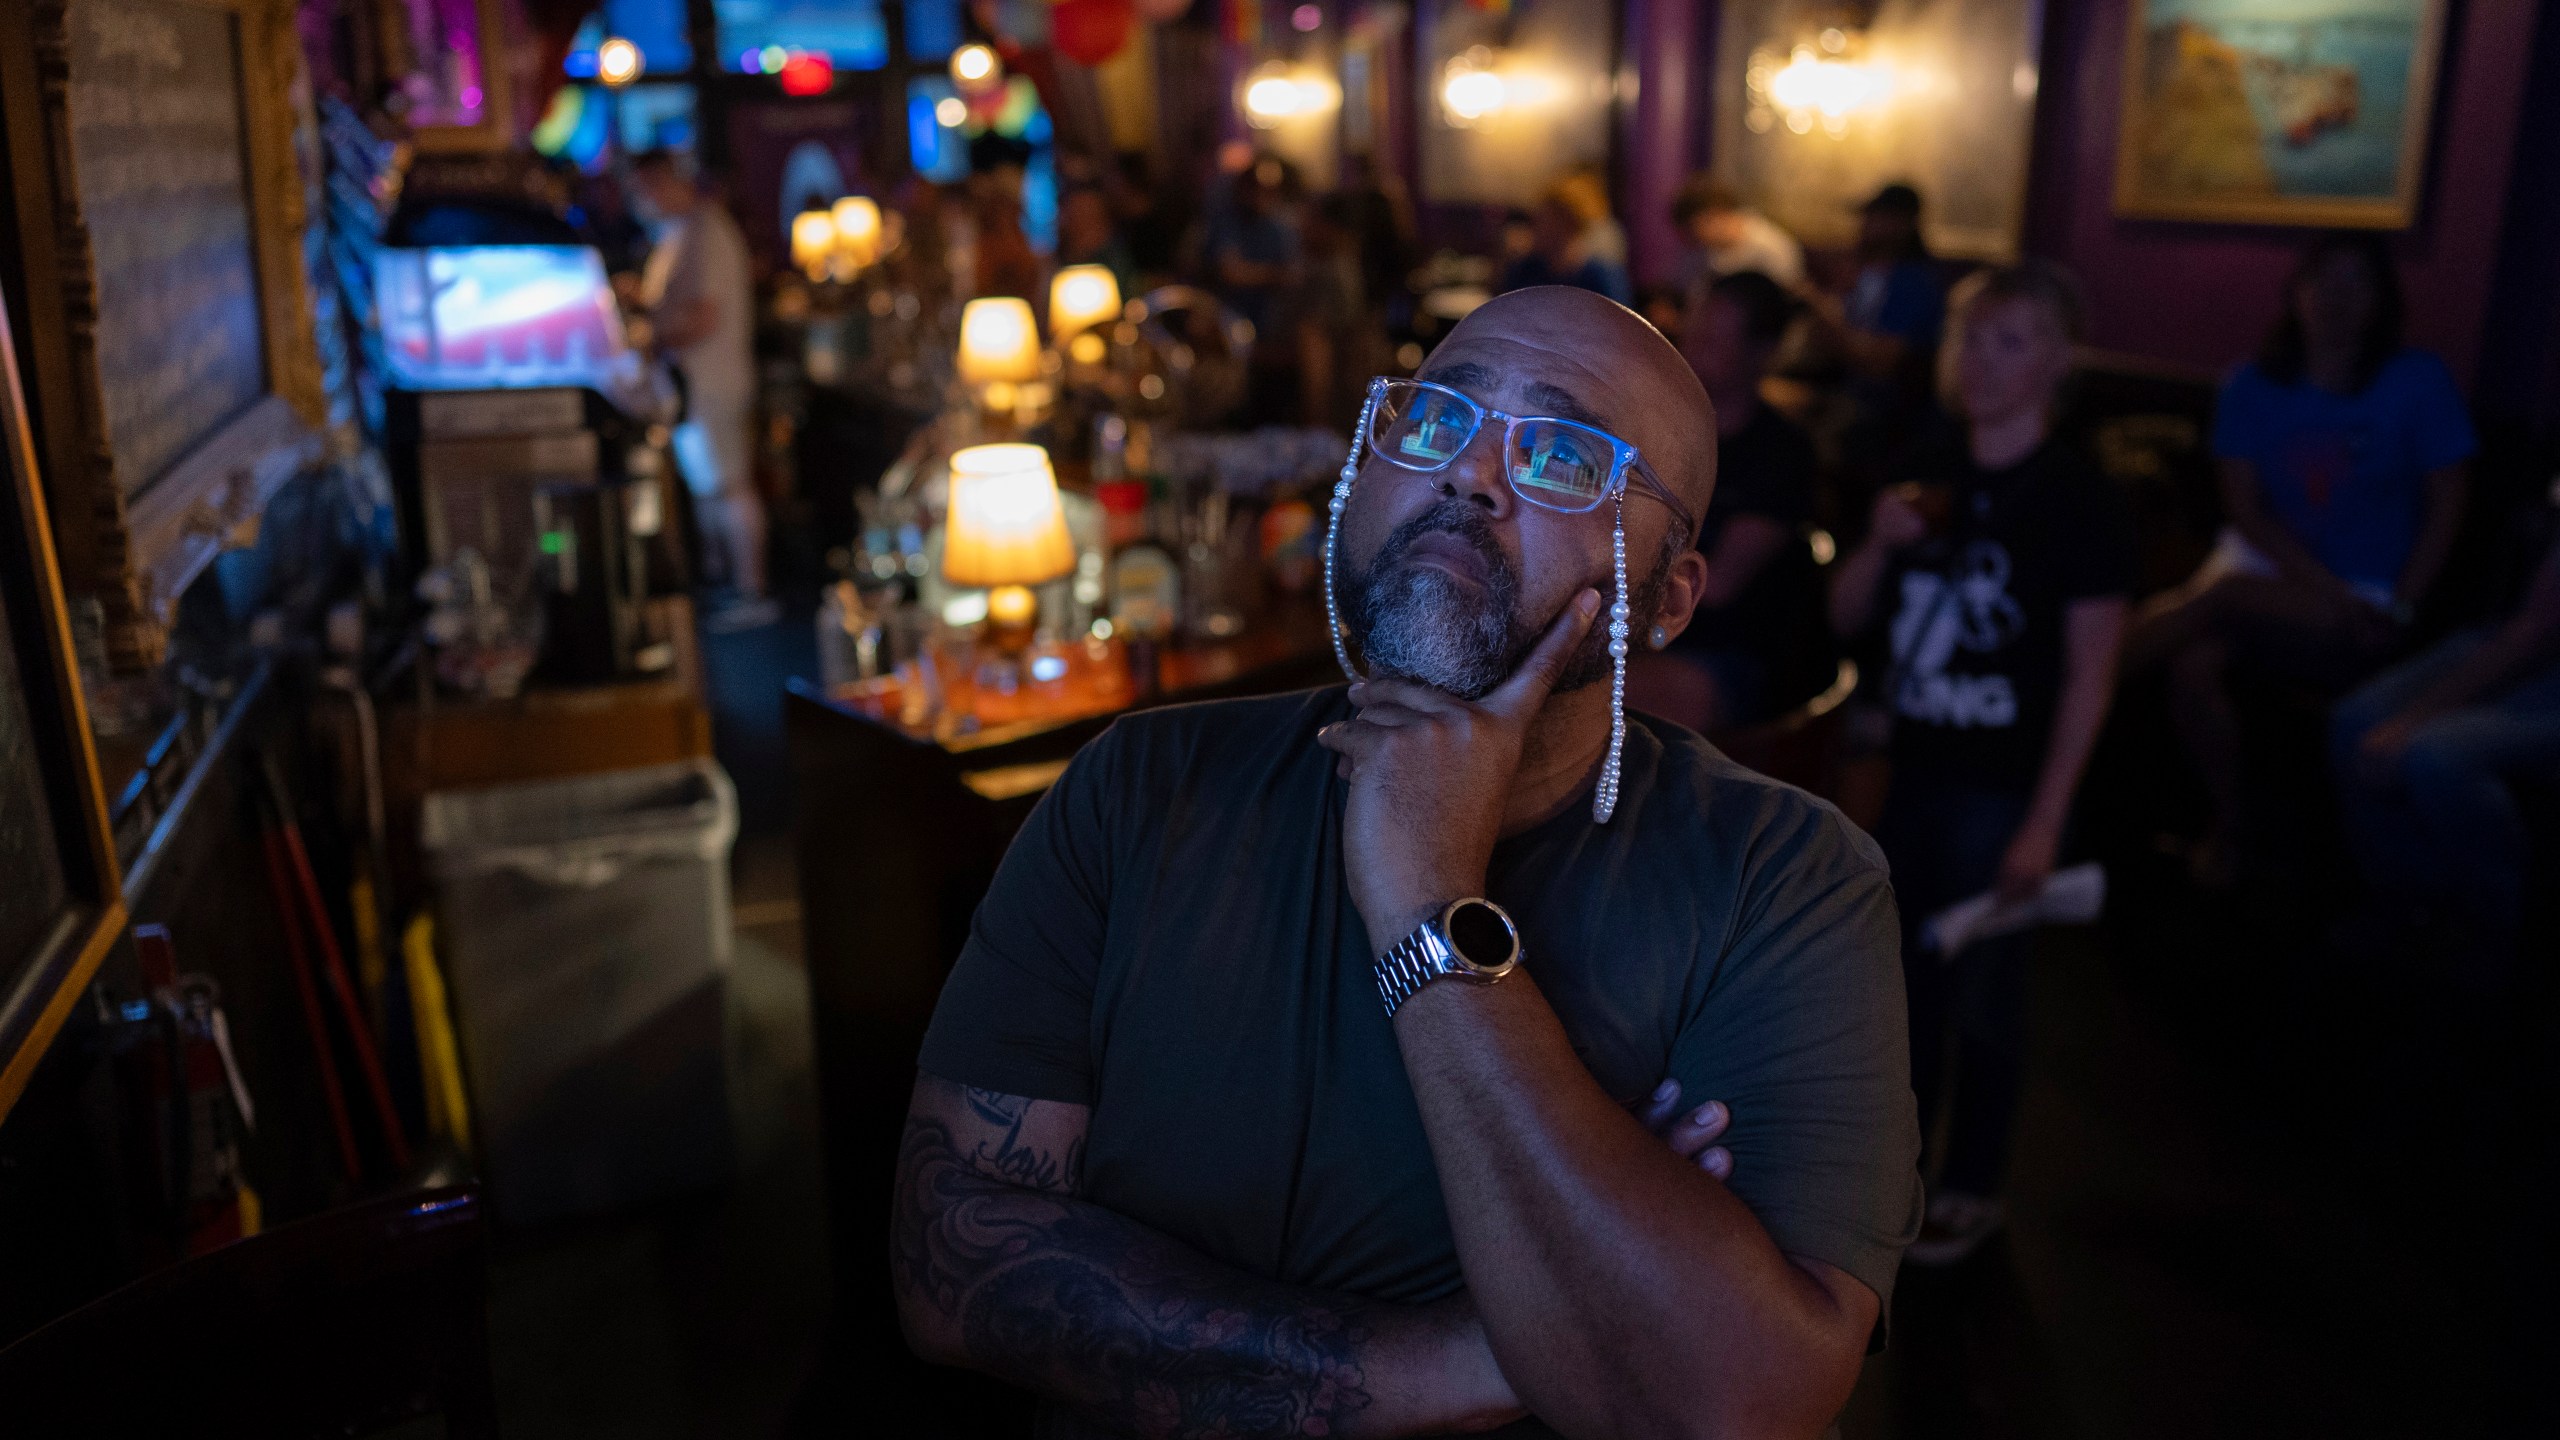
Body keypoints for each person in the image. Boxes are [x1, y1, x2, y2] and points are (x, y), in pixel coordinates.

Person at [893, 286, 1921, 1439]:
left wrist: (1426, 898)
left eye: (1567, 456)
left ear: (1670, 598)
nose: (1468, 474)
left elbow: (1732, 1408)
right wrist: (1505, 1354)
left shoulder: (1785, 883)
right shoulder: (1139, 786)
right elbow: (951, 1264)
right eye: (1434, 418)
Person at [1828, 261, 2133, 1265]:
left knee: (1989, 990)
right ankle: (1899, 1172)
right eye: (1971, 337)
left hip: (2003, 779)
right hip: (1906, 768)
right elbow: (1842, 618)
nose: (1981, 362)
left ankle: (1974, 1184)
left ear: (2056, 362)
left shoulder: (2077, 496)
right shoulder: (1923, 456)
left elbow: (2092, 674)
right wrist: (1873, 546)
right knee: (1896, 982)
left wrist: (2048, 819)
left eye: (2009, 340)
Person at [2123, 232, 2473, 886]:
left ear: (2380, 300)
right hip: (2270, 572)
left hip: (2370, 594)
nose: (2336, 297)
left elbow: (2449, 502)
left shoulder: (2416, 380)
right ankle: (2229, 830)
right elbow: (2246, 513)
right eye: (2323, 279)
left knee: (2210, 602)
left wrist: (2404, 603)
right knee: (2194, 665)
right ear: (2296, 291)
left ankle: (2053, 700)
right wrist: (2320, 586)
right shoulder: (2253, 383)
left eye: (2355, 282)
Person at [2330, 523, 2560, 979]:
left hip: (2540, 655)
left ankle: (2493, 927)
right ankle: (2408, 898)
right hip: (2521, 636)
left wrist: (2413, 719)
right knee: (2353, 721)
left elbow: (2536, 631)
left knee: (2436, 756)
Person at [1628, 271, 1821, 733]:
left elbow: (1718, 587)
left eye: (1715, 339)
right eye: (1694, 331)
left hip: (1728, 651)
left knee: (1589, 700)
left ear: (1761, 352)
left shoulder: (1780, 453)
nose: (1693, 348)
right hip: (1646, 632)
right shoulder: (1656, 433)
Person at [630, 149, 770, 630]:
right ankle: (725, 582)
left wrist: (650, 335)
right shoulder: (680, 232)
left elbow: (704, 315)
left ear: (666, 181)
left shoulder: (707, 231)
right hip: (693, 384)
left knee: (731, 486)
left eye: (645, 189)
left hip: (713, 382)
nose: (640, 201)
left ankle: (751, 591)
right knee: (711, 488)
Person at [1496, 172, 1633, 305]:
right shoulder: (1526, 269)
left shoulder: (1603, 276)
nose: (1535, 227)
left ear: (1569, 223)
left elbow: (1618, 324)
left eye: (1545, 219)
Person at [1671, 175, 1806, 304]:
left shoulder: (1771, 247)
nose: (1694, 239)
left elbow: (1786, 305)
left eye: (1695, 229)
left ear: (1714, 214)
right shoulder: (1703, 253)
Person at [1055, 183, 1140, 301]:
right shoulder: (1050, 266)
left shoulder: (1117, 264)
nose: (1081, 225)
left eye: (1089, 216)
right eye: (1076, 216)